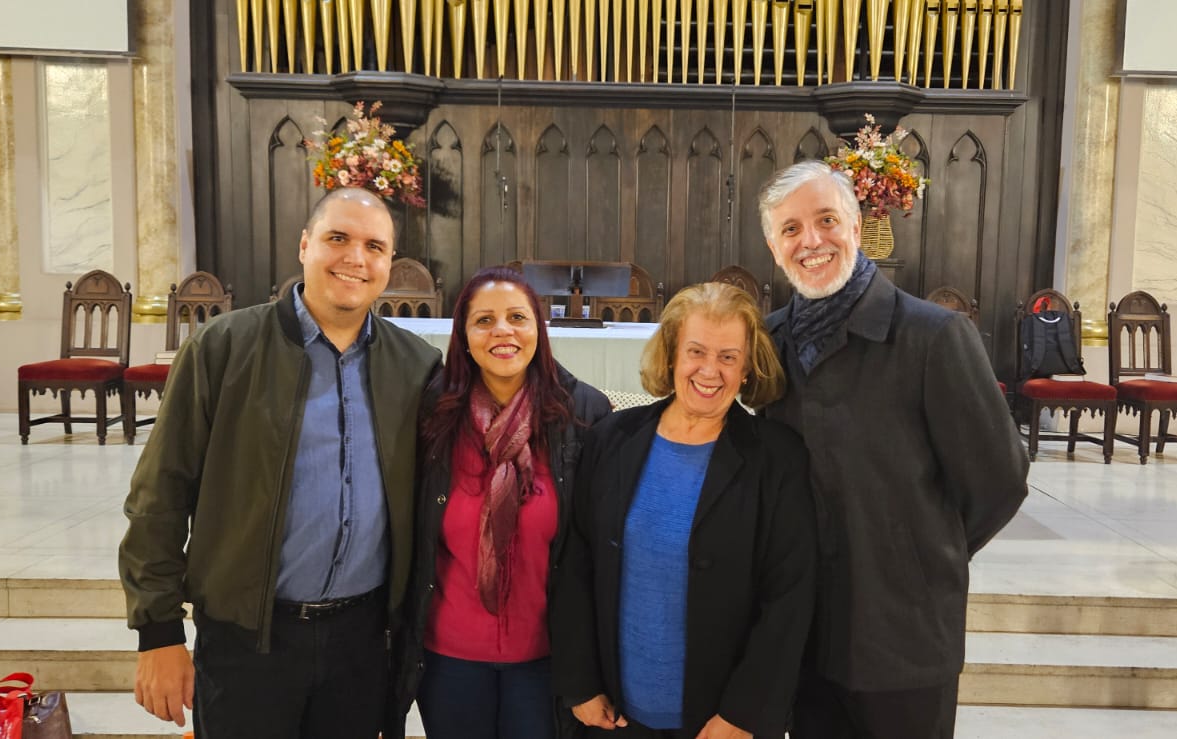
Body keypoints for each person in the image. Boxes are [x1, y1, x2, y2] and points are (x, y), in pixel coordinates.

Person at [118, 187, 441, 738]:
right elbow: (160, 494)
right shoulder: (223, 348)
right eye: (337, 238)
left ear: (390, 262)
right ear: (304, 245)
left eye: (374, 247)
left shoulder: (415, 365)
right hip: (249, 639)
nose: (355, 258)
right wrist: (159, 632)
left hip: (362, 645)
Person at [758, 161, 1029, 739]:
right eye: (790, 229)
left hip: (906, 634)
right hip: (805, 636)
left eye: (827, 220)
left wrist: (917, 557)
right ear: (774, 248)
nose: (811, 241)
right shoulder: (770, 343)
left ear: (856, 227)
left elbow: (999, 481)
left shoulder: (933, 337)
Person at [551, 282, 816, 739]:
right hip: (616, 716)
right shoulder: (611, 439)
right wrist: (580, 683)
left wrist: (745, 712)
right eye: (696, 351)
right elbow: (576, 564)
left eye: (729, 357)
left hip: (721, 722)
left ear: (747, 368)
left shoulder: (778, 459)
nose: (710, 371)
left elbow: (789, 598)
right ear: (672, 354)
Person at [391, 267, 611, 739]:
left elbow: (596, 549)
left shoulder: (583, 413)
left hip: (547, 658)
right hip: (449, 658)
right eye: (484, 320)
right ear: (464, 336)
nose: (502, 331)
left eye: (517, 317)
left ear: (538, 329)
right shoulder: (431, 414)